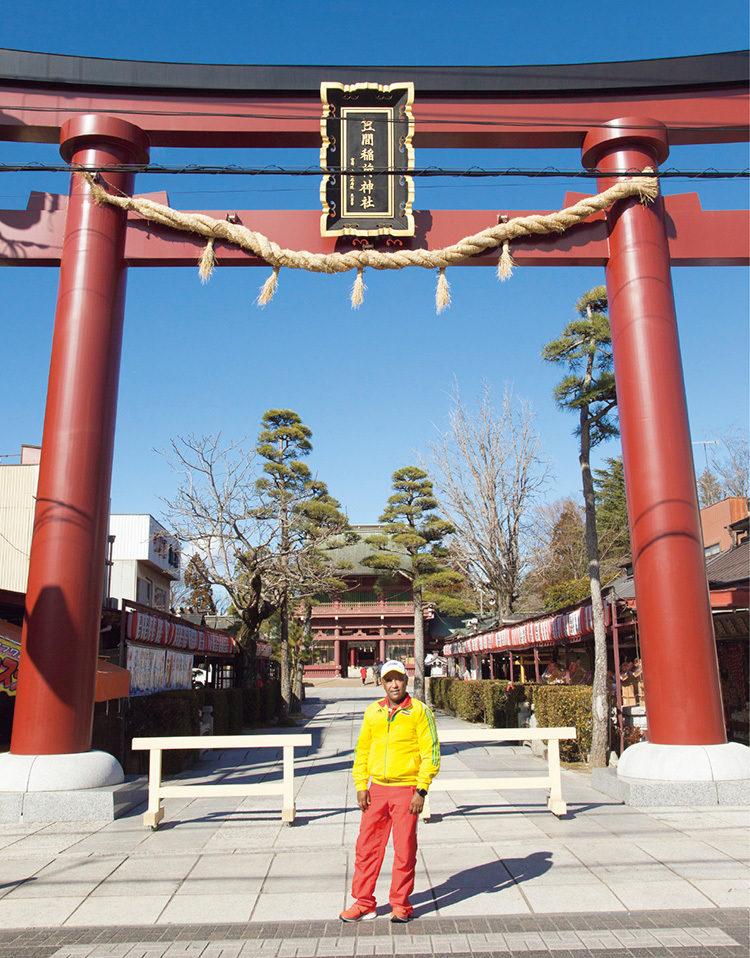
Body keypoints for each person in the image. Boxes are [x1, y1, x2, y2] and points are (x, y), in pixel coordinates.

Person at [340, 659, 440, 924]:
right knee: (367, 847)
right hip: (377, 789)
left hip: (406, 788)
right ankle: (364, 903)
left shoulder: (419, 711)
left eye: (398, 679)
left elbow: (431, 753)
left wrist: (421, 789)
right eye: (388, 680)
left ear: (406, 681)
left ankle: (401, 904)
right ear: (382, 683)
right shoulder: (373, 712)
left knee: (404, 849)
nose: (394, 684)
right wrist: (361, 785)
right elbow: (362, 750)